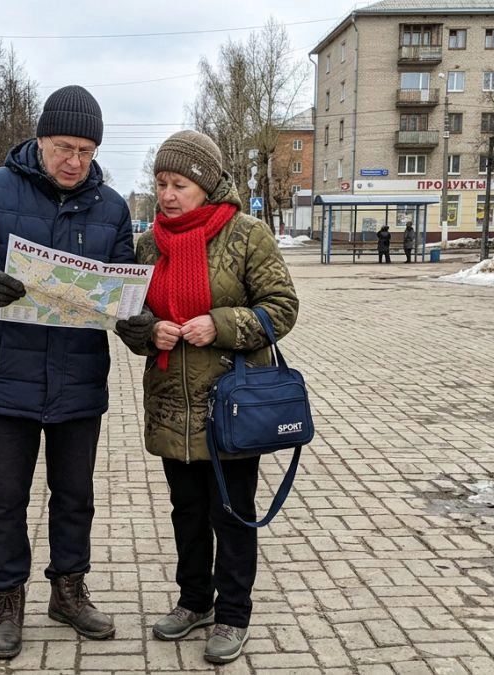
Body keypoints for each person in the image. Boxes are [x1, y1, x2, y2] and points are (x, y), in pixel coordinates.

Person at [0, 84, 134, 660]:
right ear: (40, 140)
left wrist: (136, 322)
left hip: (79, 381)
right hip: (7, 380)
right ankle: (7, 601)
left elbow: (123, 289)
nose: (75, 162)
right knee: (5, 499)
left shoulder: (112, 207)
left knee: (75, 497)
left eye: (87, 151)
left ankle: (69, 594)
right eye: (64, 147)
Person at [114, 130, 298, 665]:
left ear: (208, 185)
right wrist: (151, 332)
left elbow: (281, 308)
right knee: (185, 512)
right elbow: (126, 317)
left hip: (231, 407)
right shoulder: (147, 244)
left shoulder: (247, 235)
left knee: (233, 513)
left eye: (180, 184)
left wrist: (217, 325)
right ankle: (194, 601)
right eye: (161, 183)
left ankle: (233, 615)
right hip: (173, 405)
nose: (167, 195)